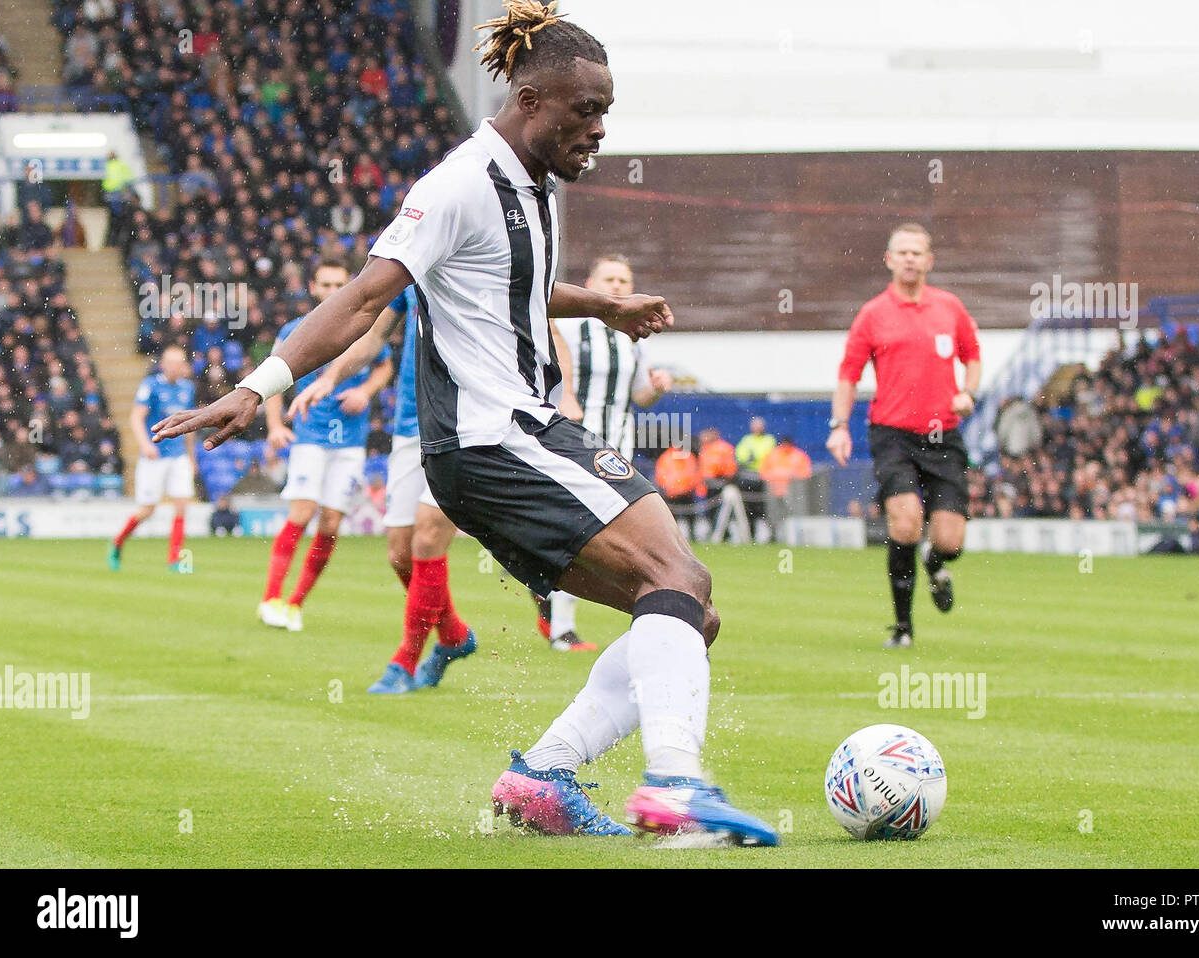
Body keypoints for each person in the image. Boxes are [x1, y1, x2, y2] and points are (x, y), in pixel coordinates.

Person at [151, 0, 776, 847]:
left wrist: (600, 306)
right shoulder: (455, 185)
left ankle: (544, 777)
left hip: (515, 430)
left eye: (606, 112)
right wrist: (258, 385)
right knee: (671, 575)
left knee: (686, 609)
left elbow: (513, 284)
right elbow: (363, 295)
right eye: (584, 111)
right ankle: (675, 787)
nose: (598, 129)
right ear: (529, 103)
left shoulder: (536, 186)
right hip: (495, 435)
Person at [286, 285, 477, 693]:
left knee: (428, 537)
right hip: (411, 423)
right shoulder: (412, 268)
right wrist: (332, 378)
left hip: (468, 421)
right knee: (400, 554)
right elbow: (373, 337)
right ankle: (454, 636)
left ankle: (404, 663)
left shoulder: (482, 259)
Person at [827, 222, 981, 649]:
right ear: (889, 260)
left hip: (943, 436)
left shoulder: (949, 307)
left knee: (950, 540)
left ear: (929, 261)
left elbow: (972, 355)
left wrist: (968, 393)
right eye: (903, 252)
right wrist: (839, 426)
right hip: (893, 434)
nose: (911, 258)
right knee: (907, 523)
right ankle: (903, 627)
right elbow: (848, 374)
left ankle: (936, 564)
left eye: (918, 252)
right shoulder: (873, 314)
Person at [535, 252, 673, 651]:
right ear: (590, 285)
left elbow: (638, 397)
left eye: (624, 281)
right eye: (609, 279)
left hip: (618, 443)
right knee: (582, 530)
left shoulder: (632, 336)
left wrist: (657, 389)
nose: (617, 287)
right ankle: (561, 627)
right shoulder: (572, 325)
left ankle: (557, 602)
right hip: (576, 438)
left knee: (615, 532)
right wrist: (568, 399)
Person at [257, 259, 394, 633]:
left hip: (351, 441)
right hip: (311, 436)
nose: (332, 292)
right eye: (325, 285)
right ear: (314, 288)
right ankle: (271, 598)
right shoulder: (294, 329)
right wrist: (273, 425)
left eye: (339, 285)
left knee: (331, 525)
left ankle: (296, 603)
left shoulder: (364, 327)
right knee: (302, 514)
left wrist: (365, 391)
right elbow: (271, 376)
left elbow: (384, 366)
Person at [108, 345, 195, 571]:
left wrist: (192, 458)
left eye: (180, 363)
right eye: (173, 363)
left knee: (182, 505)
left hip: (178, 456)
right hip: (155, 456)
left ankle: (175, 560)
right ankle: (117, 542)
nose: (177, 368)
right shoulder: (151, 386)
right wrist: (146, 445)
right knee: (148, 510)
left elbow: (189, 427)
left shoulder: (188, 389)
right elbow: (136, 418)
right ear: (163, 364)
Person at [735, 416, 775, 540]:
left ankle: (769, 535)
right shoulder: (747, 439)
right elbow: (740, 454)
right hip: (747, 478)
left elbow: (768, 455)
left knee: (763, 509)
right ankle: (750, 535)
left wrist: (755, 458)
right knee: (748, 508)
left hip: (762, 478)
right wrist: (748, 458)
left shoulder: (769, 439)